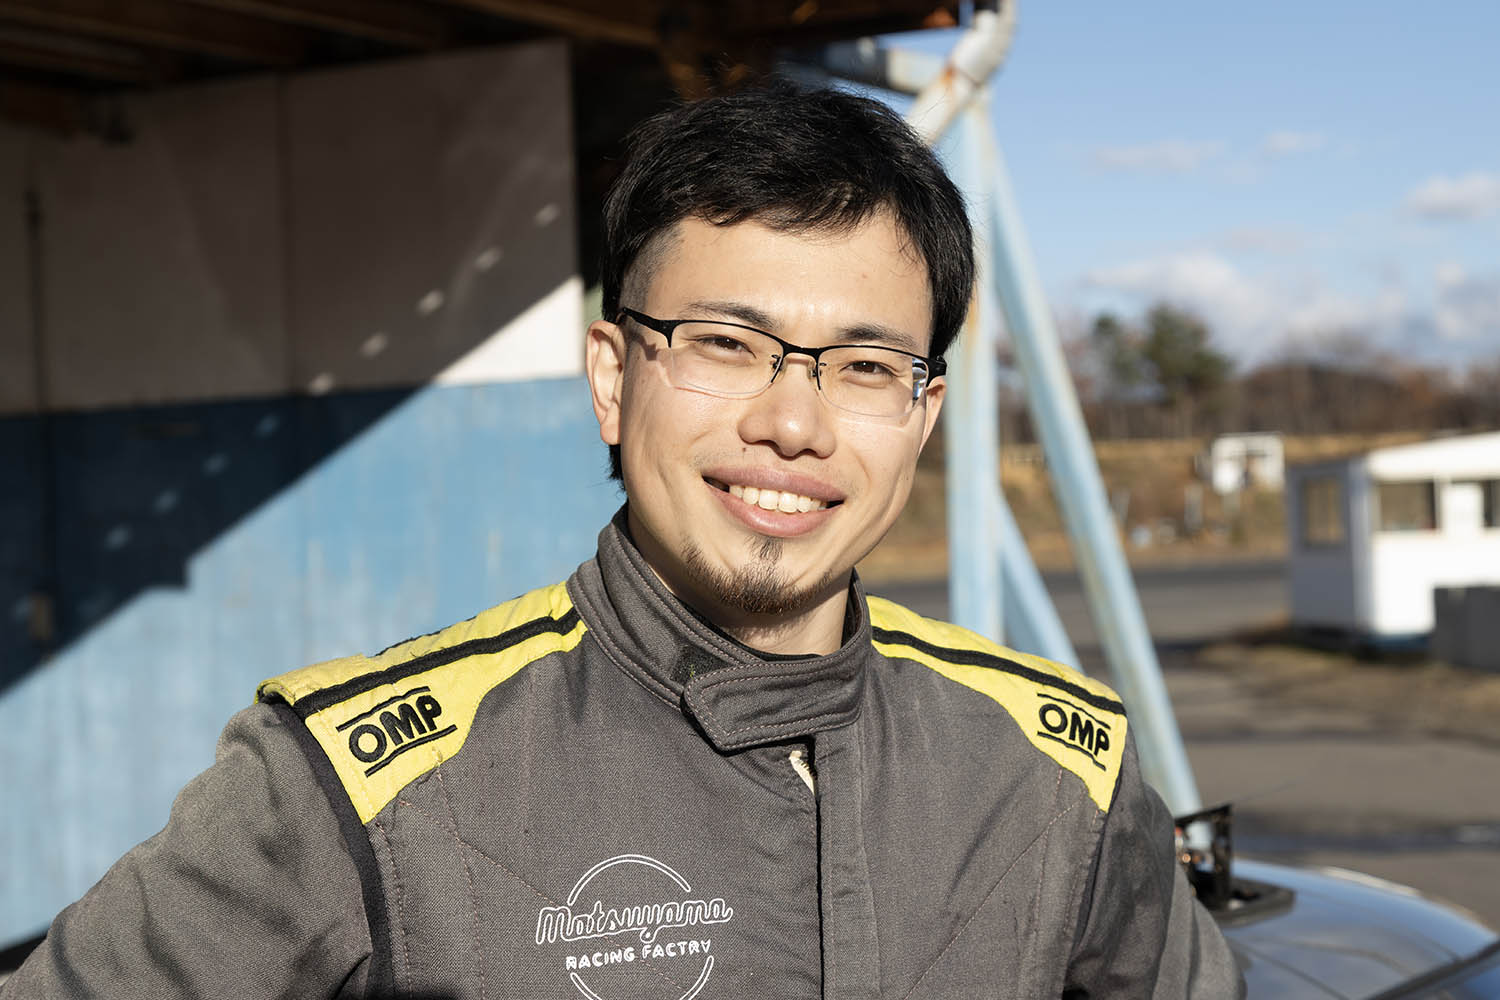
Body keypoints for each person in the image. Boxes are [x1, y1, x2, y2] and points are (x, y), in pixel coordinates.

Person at [3, 82, 1243, 999]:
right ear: (611, 376)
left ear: (922, 415)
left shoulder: (1057, 769)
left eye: (866, 366)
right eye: (725, 344)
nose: (793, 423)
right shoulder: (353, 789)